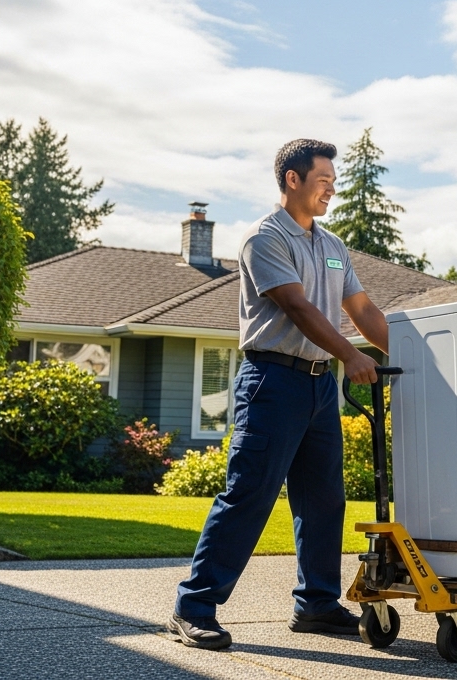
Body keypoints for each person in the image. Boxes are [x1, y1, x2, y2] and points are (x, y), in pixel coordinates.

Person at [167, 138, 389, 650]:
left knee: (324, 499)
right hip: (271, 382)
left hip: (317, 388)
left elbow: (364, 311)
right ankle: (193, 606)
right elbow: (299, 309)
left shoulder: (332, 247)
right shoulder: (264, 238)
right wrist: (351, 356)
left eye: (334, 182)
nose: (331, 189)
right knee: (250, 493)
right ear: (293, 179)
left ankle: (316, 603)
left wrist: (418, 357)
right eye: (322, 181)